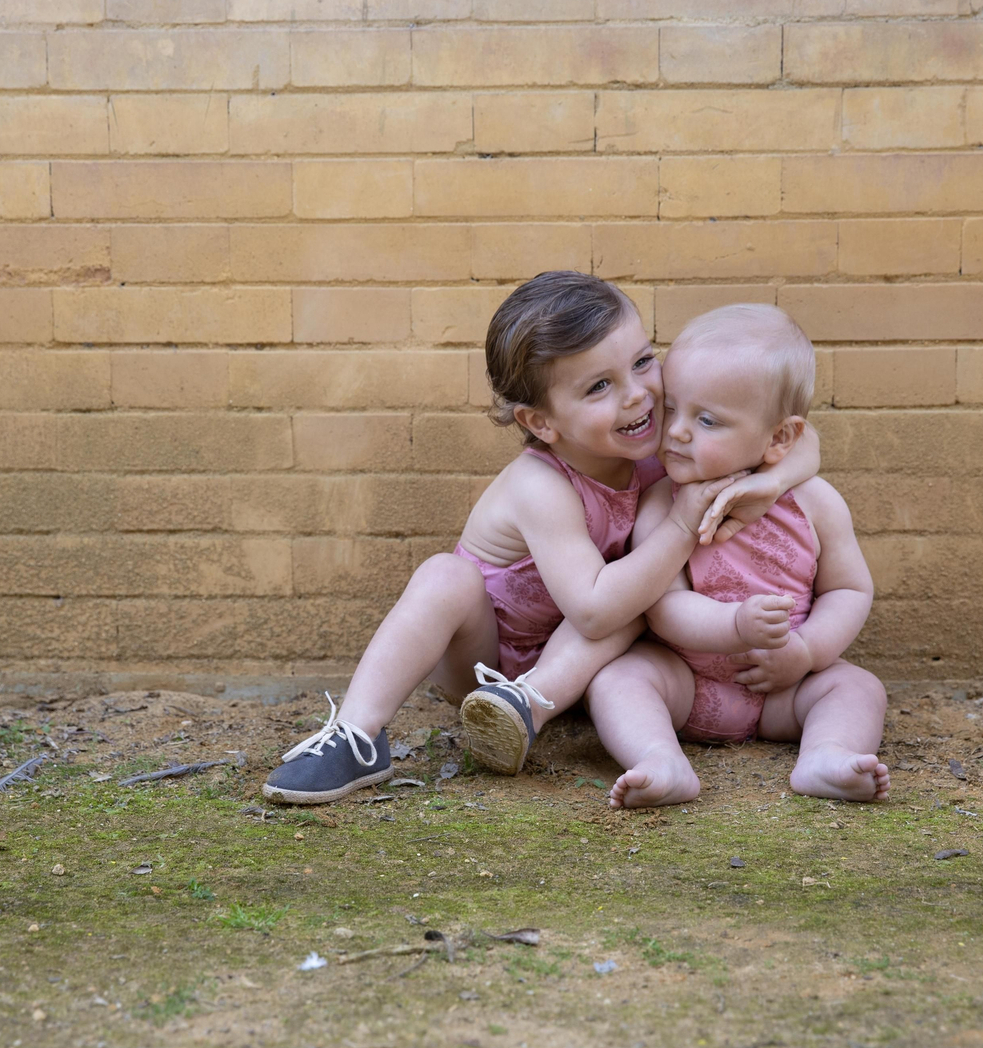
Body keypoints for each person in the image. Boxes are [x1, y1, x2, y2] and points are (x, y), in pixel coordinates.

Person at [262, 273, 820, 803]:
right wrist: (678, 527)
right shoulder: (541, 484)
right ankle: (357, 734)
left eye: (643, 362)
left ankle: (531, 707)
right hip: (485, 657)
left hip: (570, 659)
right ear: (542, 423)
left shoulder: (652, 444)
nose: (638, 396)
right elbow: (595, 612)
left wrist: (770, 481)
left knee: (635, 592)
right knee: (447, 575)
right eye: (600, 386)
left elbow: (800, 436)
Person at [587, 304, 889, 810]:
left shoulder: (814, 503)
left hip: (782, 692)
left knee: (857, 686)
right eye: (671, 409)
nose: (678, 432)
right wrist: (735, 625)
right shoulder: (664, 502)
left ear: (779, 438)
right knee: (618, 679)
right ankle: (661, 758)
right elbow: (662, 605)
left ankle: (825, 755)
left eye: (706, 420)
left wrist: (807, 653)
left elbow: (850, 589)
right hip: (687, 683)